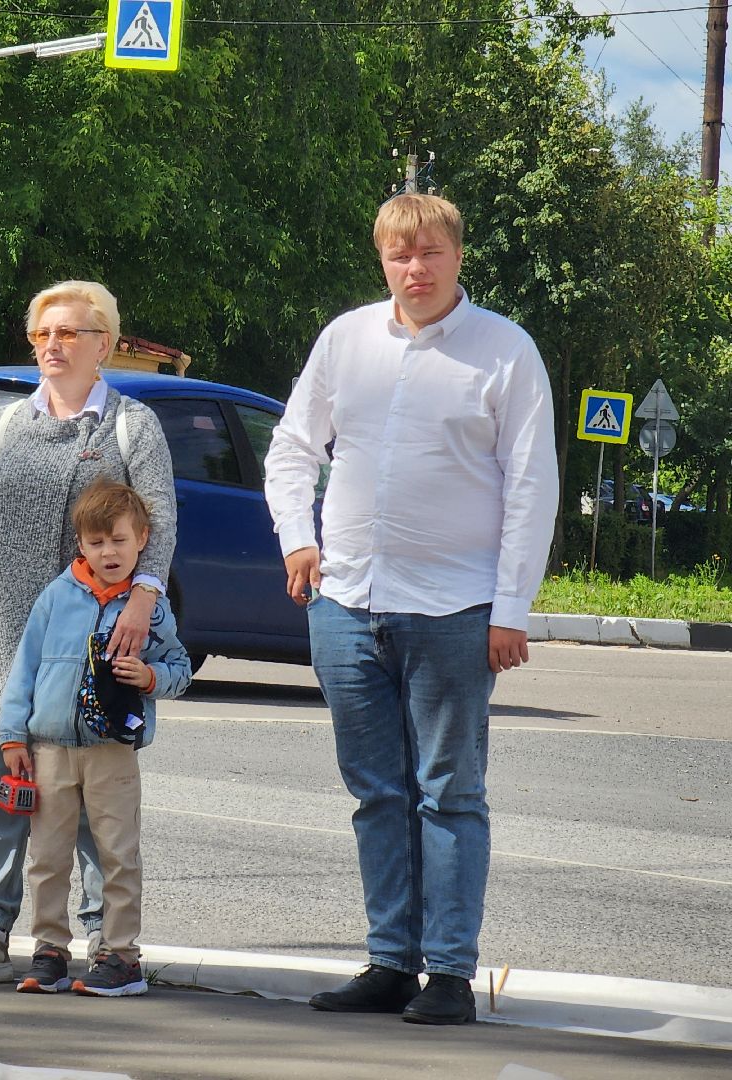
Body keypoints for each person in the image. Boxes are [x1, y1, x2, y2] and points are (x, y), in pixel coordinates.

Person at [264, 193, 557, 1025]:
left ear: (459, 256)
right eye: (400, 255)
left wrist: (511, 608)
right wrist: (298, 540)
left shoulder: (505, 352)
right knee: (376, 794)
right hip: (347, 604)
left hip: (458, 610)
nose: (415, 269)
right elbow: (292, 450)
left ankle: (452, 975)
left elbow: (533, 487)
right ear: (382, 261)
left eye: (430, 253)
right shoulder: (345, 340)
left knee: (449, 792)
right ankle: (390, 962)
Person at [0, 280, 177, 985]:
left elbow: (158, 521)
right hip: (9, 633)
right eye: (43, 334)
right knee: (2, 788)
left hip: (102, 642)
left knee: (98, 802)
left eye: (69, 333)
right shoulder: (8, 425)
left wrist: (142, 600)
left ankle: (106, 943)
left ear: (105, 342)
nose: (53, 346)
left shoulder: (132, 426)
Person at [0, 479, 191, 997]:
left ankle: (121, 956)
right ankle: (49, 951)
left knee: (116, 854)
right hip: (51, 749)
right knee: (47, 856)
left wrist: (152, 679)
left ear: (142, 539)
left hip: (112, 753)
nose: (109, 552)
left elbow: (179, 665)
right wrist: (13, 734)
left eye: (120, 541)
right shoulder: (55, 597)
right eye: (97, 542)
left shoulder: (148, 607)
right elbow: (25, 668)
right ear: (80, 544)